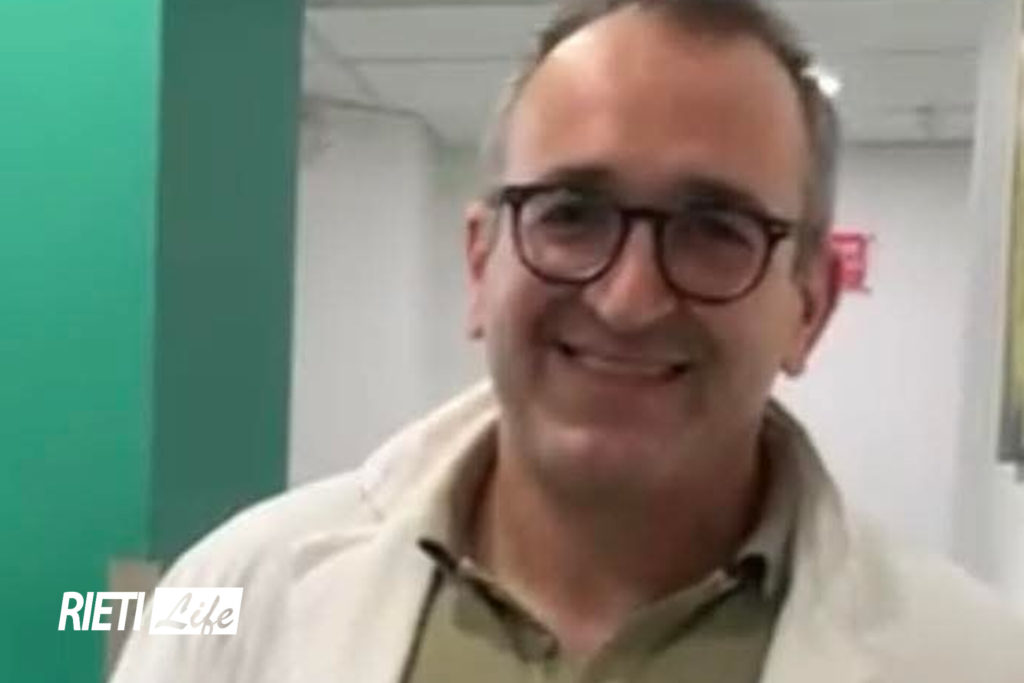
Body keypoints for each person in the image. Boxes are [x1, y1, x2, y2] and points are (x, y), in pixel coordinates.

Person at [112, 0, 1024, 681]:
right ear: (482, 264)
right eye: (571, 214)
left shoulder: (975, 659)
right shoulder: (232, 597)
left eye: (714, 230)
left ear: (810, 306)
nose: (628, 299)